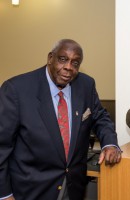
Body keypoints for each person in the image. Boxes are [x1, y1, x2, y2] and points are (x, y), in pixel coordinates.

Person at [0, 39, 122, 200]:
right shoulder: (16, 90)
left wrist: (110, 143)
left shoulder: (86, 85)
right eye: (63, 59)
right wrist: (4, 194)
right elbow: (2, 147)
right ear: (50, 58)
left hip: (73, 187)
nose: (68, 67)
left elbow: (100, 117)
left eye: (75, 63)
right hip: (30, 190)